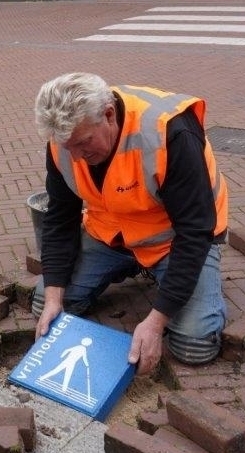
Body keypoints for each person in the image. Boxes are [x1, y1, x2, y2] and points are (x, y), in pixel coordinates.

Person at [31, 73, 230, 376]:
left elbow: (195, 232)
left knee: (194, 346)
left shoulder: (169, 131)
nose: (77, 157)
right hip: (111, 235)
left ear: (108, 115)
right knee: (45, 304)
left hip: (175, 241)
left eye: (84, 143)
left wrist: (155, 322)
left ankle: (171, 277)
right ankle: (131, 265)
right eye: (68, 147)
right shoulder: (65, 140)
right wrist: (54, 297)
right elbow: (60, 219)